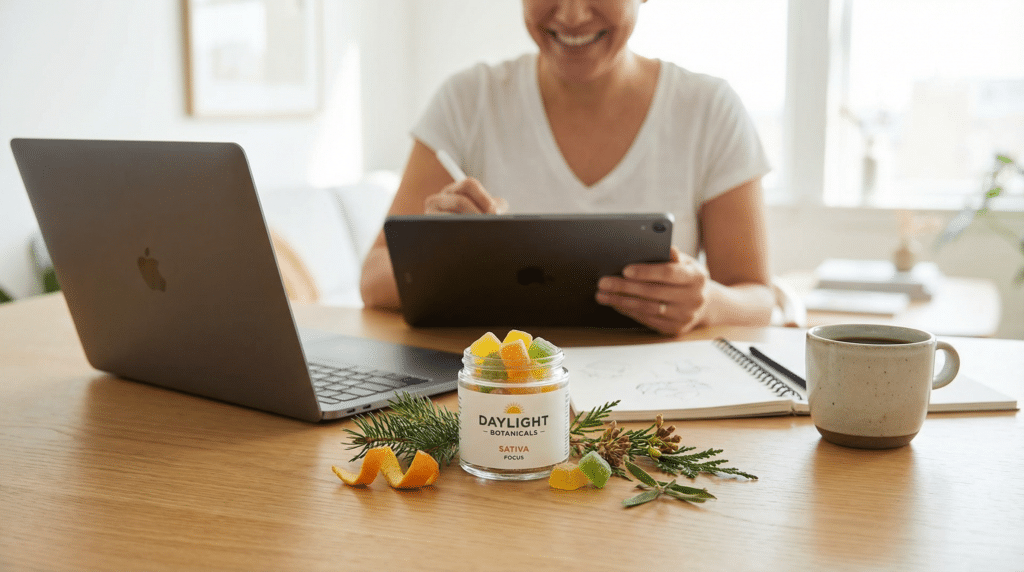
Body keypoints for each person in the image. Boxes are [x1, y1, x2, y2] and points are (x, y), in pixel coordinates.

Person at [360, 0, 775, 335]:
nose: (573, 14)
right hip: (501, 394)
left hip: (654, 398)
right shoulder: (468, 101)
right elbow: (375, 278)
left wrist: (706, 303)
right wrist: (438, 257)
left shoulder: (709, 110)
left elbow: (757, 296)